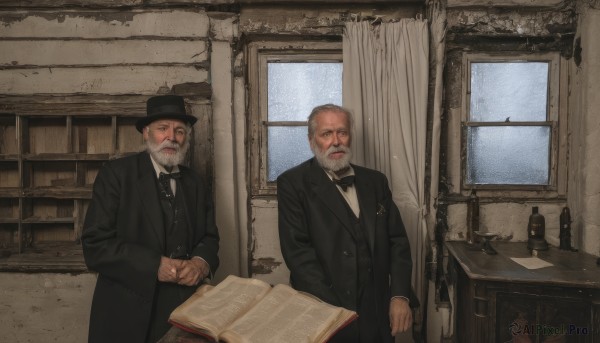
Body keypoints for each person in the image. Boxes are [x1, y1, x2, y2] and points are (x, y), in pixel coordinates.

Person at [82, 95, 220, 343]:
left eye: (179, 131)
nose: (172, 137)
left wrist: (201, 263)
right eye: (162, 129)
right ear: (146, 133)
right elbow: (95, 245)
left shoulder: (195, 182)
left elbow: (209, 237)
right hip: (126, 311)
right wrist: (153, 265)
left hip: (187, 312)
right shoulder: (116, 175)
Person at [277, 104, 415, 343]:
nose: (336, 141)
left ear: (350, 136)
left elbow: (398, 243)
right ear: (312, 140)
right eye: (326, 134)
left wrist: (399, 296)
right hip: (324, 309)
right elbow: (298, 254)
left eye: (342, 132)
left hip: (376, 309)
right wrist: (335, 313)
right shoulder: (292, 183)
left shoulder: (376, 181)